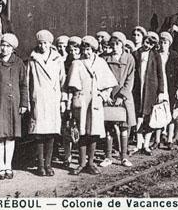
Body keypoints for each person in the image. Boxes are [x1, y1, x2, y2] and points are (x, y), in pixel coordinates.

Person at [67, 36, 117, 175]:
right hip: (82, 102)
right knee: (82, 132)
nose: (86, 52)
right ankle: (81, 163)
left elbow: (109, 83)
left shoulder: (100, 63)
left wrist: (103, 95)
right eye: (84, 49)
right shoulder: (77, 63)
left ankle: (91, 162)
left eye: (89, 49)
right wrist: (72, 100)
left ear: (94, 49)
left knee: (94, 132)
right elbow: (71, 86)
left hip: (95, 102)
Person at [0, 33, 28, 180]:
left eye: (8, 46)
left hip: (14, 105)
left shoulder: (19, 63)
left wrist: (24, 103)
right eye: (2, 45)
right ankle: (0, 167)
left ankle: (8, 166)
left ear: (13, 48)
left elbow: (23, 85)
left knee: (11, 136)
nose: (4, 48)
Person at [27, 30, 65, 177]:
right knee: (39, 133)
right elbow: (27, 80)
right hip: (39, 98)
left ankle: (48, 164)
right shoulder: (32, 59)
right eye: (40, 43)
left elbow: (63, 81)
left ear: (50, 43)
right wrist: (29, 100)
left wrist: (63, 100)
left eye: (45, 43)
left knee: (51, 133)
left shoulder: (58, 59)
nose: (42, 46)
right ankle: (40, 165)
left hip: (53, 99)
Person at [102, 32, 136, 168]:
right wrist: (107, 94)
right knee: (109, 126)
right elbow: (103, 77)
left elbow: (130, 79)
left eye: (117, 44)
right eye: (112, 44)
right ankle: (108, 156)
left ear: (122, 44)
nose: (115, 47)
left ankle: (124, 157)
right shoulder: (105, 59)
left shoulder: (129, 59)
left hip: (124, 97)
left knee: (124, 126)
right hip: (110, 96)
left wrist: (122, 96)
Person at [131, 32, 165, 155]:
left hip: (151, 89)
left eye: (151, 44)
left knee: (150, 117)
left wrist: (161, 91)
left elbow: (161, 75)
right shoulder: (135, 54)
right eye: (147, 42)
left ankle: (146, 144)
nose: (148, 46)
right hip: (138, 89)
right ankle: (138, 144)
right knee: (139, 116)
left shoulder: (156, 55)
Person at [159, 32, 178, 149]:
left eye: (165, 42)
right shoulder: (156, 55)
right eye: (162, 42)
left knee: (171, 112)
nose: (163, 45)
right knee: (160, 111)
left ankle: (170, 138)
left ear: (169, 44)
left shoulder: (174, 56)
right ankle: (159, 137)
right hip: (160, 87)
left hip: (171, 87)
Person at [61, 36, 82, 167]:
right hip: (68, 99)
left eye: (76, 50)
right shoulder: (65, 64)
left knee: (80, 129)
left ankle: (80, 156)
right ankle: (67, 156)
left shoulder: (83, 64)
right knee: (67, 129)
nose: (73, 53)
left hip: (80, 100)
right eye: (71, 50)